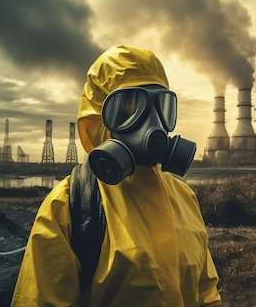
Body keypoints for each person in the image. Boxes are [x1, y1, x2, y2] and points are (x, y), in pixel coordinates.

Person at [11, 45, 222, 306]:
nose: (152, 123)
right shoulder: (69, 205)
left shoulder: (184, 197)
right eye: (130, 108)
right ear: (99, 118)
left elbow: (205, 291)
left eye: (162, 107)